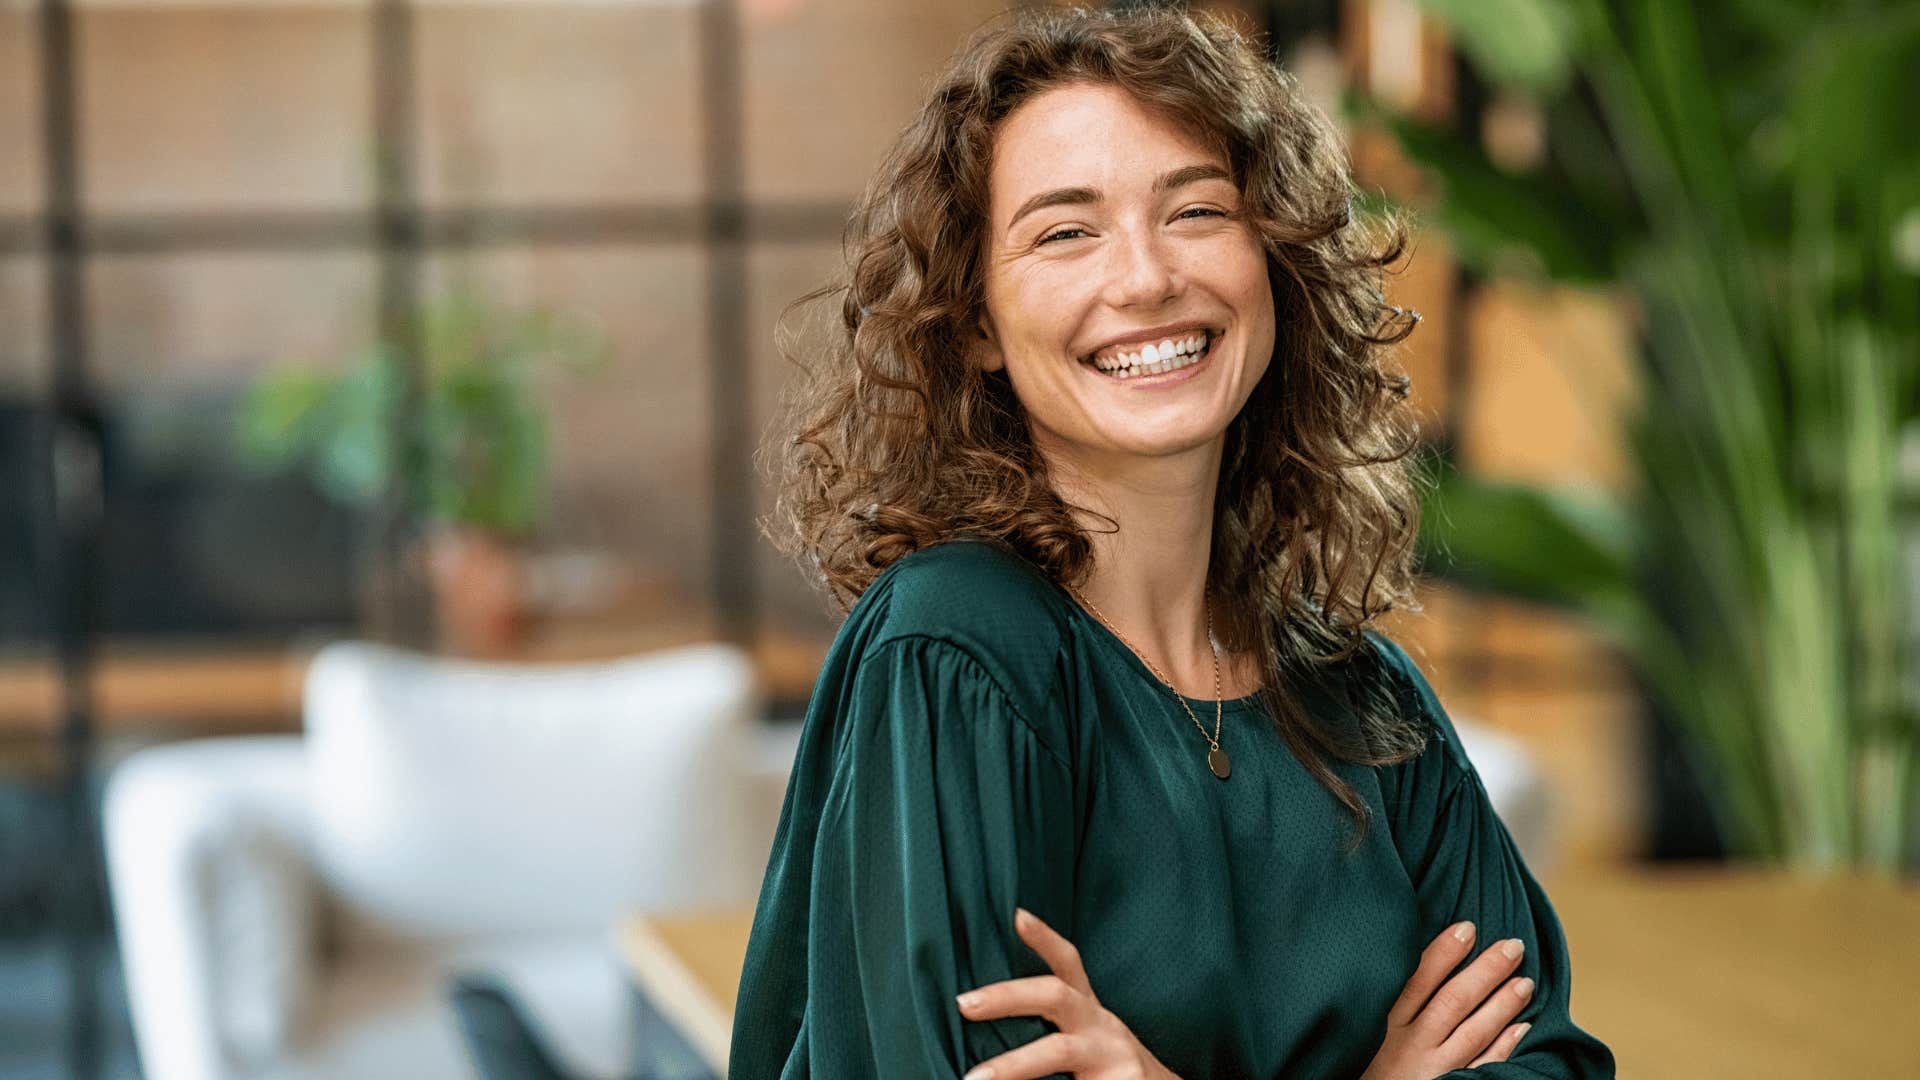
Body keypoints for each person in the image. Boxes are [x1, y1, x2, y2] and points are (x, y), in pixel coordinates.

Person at [730, 6, 1615, 1079]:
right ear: (973, 322)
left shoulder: (1363, 699)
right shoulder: (957, 651)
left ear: (1272, 259)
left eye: (1195, 210)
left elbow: (1549, 1062)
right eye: (1066, 230)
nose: (1146, 278)